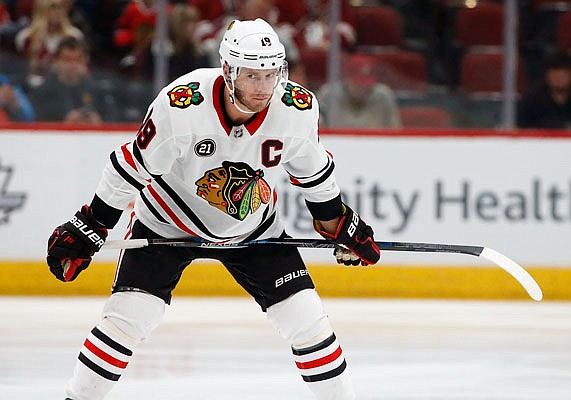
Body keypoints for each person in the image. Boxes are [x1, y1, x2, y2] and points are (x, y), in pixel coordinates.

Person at [46, 18, 380, 400]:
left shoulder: (296, 108)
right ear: (227, 70)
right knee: (126, 319)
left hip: (253, 231)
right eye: (252, 76)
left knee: (309, 322)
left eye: (271, 74)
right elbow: (130, 167)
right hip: (167, 223)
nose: (263, 88)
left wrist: (339, 225)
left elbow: (314, 173)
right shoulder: (181, 104)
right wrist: (92, 224)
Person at [30, 36, 103, 123]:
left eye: (78, 60)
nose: (73, 65)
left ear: (85, 61)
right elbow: (36, 123)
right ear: (56, 61)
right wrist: (63, 123)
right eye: (67, 60)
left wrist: (99, 122)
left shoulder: (96, 90)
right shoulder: (42, 92)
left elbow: (112, 118)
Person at [318, 52, 402, 127]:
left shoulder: (384, 96)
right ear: (346, 78)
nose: (362, 88)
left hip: (376, 143)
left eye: (366, 84)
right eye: (357, 84)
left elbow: (395, 132)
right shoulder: (328, 95)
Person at [14, 0, 84, 87]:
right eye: (53, 7)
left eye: (61, 7)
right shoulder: (25, 37)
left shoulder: (74, 36)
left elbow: (82, 68)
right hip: (34, 87)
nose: (58, 11)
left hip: (67, 85)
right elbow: (20, 69)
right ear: (42, 9)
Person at [517, 51, 571, 129]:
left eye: (562, 76)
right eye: (555, 77)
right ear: (547, 75)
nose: (559, 80)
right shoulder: (532, 97)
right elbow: (520, 127)